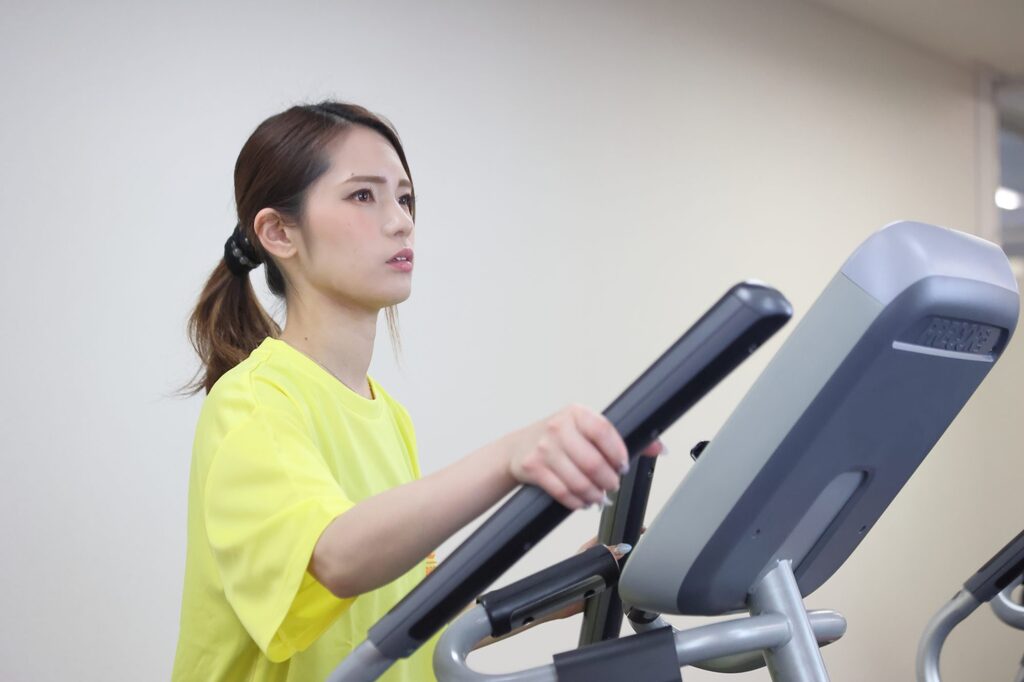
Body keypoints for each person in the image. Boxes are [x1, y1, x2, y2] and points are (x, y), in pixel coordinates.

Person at [171, 101, 664, 682]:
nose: (401, 221)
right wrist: (513, 456)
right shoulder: (254, 401)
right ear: (279, 232)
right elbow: (335, 558)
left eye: (405, 199)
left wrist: (563, 589)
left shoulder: (389, 417)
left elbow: (406, 617)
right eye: (363, 195)